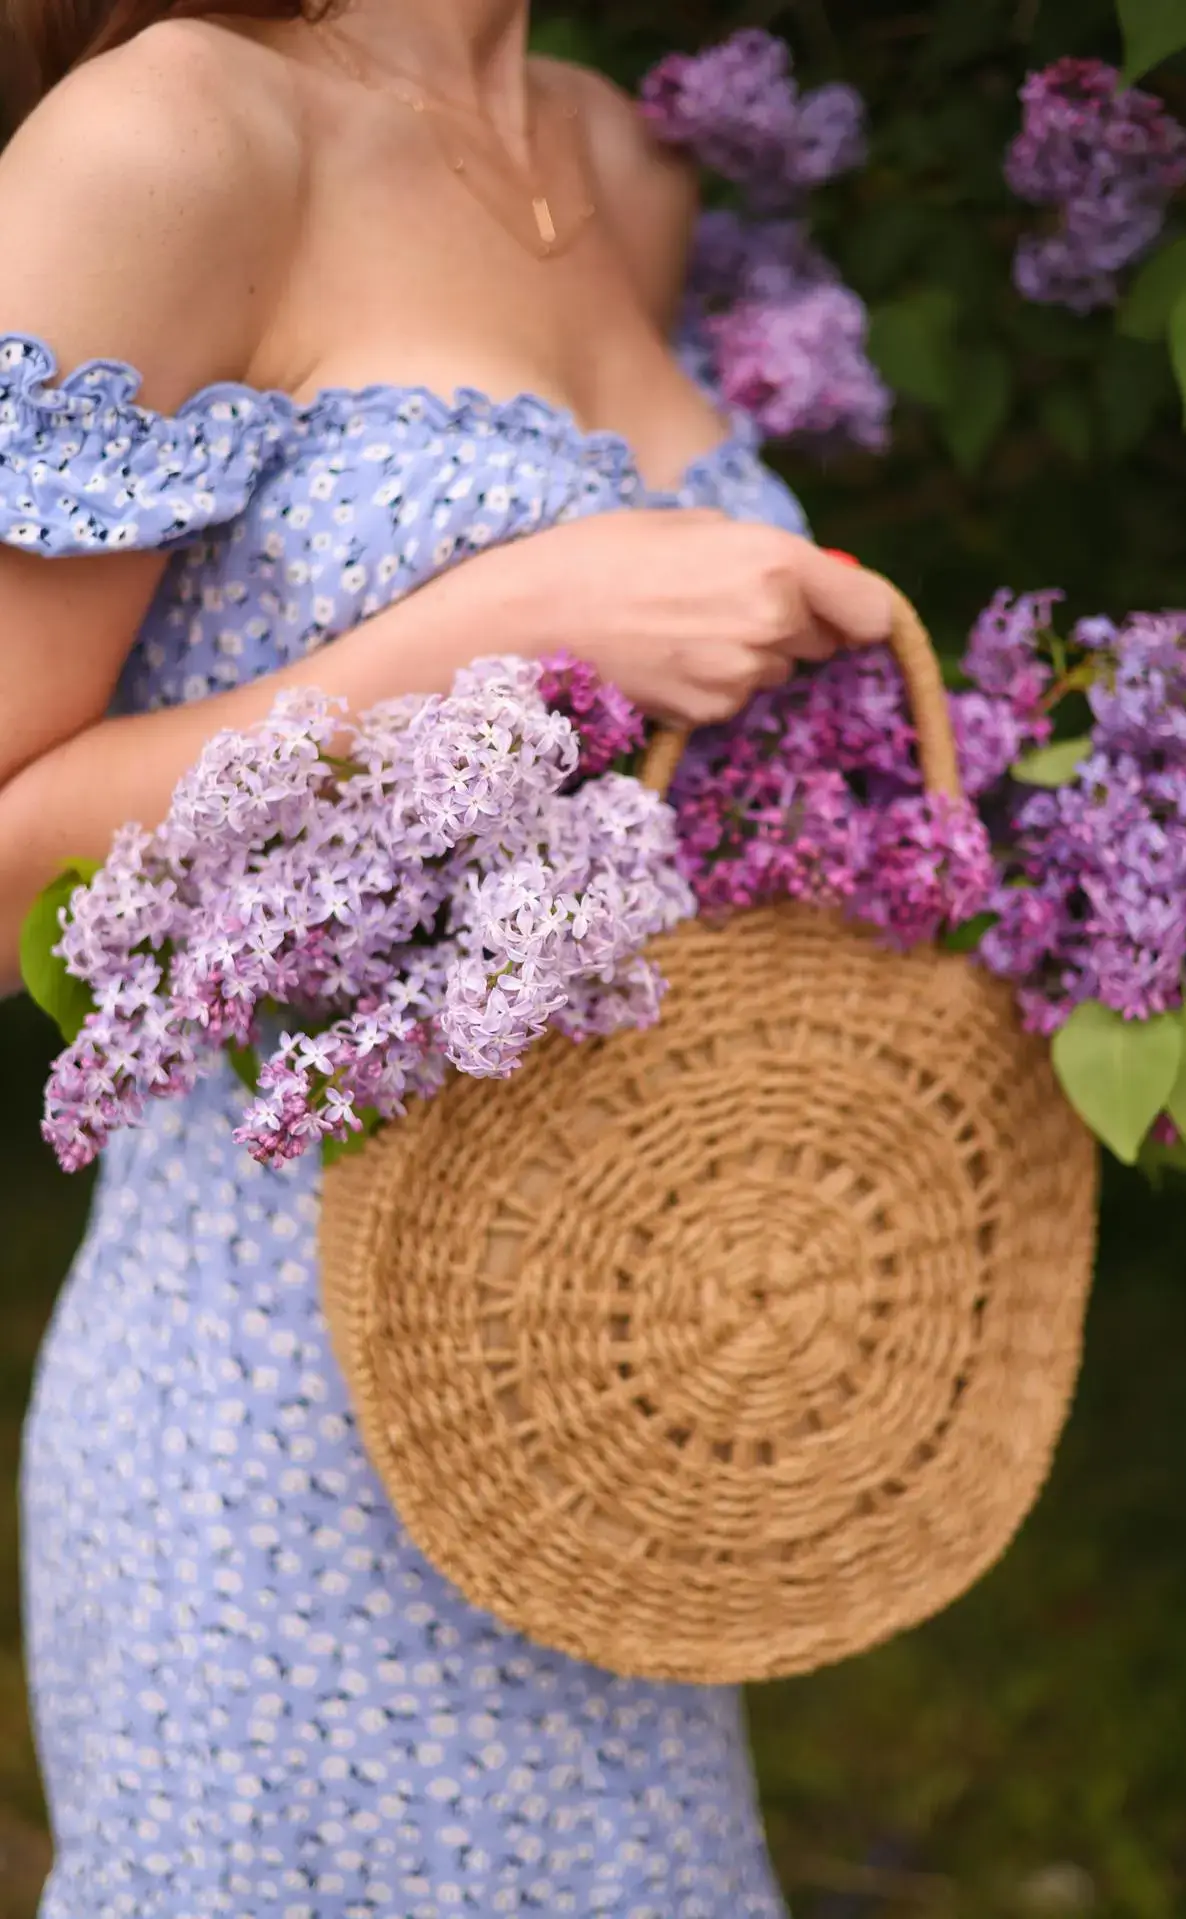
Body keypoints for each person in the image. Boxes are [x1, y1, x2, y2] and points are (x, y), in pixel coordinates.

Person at [0, 0, 894, 1910]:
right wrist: (506, 618)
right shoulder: (170, 139)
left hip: (611, 1395)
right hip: (268, 1437)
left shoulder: (626, 160)